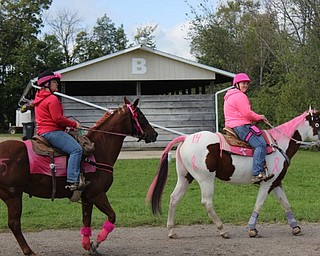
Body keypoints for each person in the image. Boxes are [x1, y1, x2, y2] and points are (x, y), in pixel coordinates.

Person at [33, 70, 83, 191]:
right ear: (46, 84)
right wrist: (74, 124)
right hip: (52, 132)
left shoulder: (38, 99)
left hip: (43, 131)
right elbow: (57, 119)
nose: (57, 84)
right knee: (76, 150)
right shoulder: (52, 99)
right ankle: (72, 181)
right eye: (54, 82)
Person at [223, 72, 268, 183]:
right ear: (237, 84)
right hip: (241, 127)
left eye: (247, 84)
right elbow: (247, 114)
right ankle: (258, 172)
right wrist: (260, 117)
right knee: (261, 144)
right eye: (243, 83)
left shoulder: (229, 96)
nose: (246, 85)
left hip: (233, 126)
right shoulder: (240, 96)